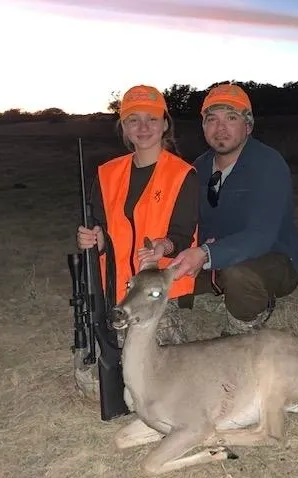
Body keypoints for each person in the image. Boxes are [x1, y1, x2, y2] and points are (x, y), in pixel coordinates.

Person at [74, 85, 199, 400]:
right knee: (93, 385)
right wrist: (95, 239)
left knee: (163, 380)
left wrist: (164, 247)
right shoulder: (107, 174)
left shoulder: (183, 174)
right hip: (114, 290)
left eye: (152, 119)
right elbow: (103, 230)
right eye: (133, 120)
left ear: (165, 124)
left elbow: (182, 234)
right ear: (123, 127)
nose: (143, 128)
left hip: (158, 293)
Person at [170, 83, 298, 336]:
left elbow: (261, 236)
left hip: (273, 257)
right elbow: (187, 221)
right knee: (162, 274)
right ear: (203, 127)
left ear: (248, 126)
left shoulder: (268, 164)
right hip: (215, 258)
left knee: (238, 275)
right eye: (212, 120)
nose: (220, 128)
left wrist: (205, 252)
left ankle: (245, 326)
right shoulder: (198, 168)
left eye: (231, 118)